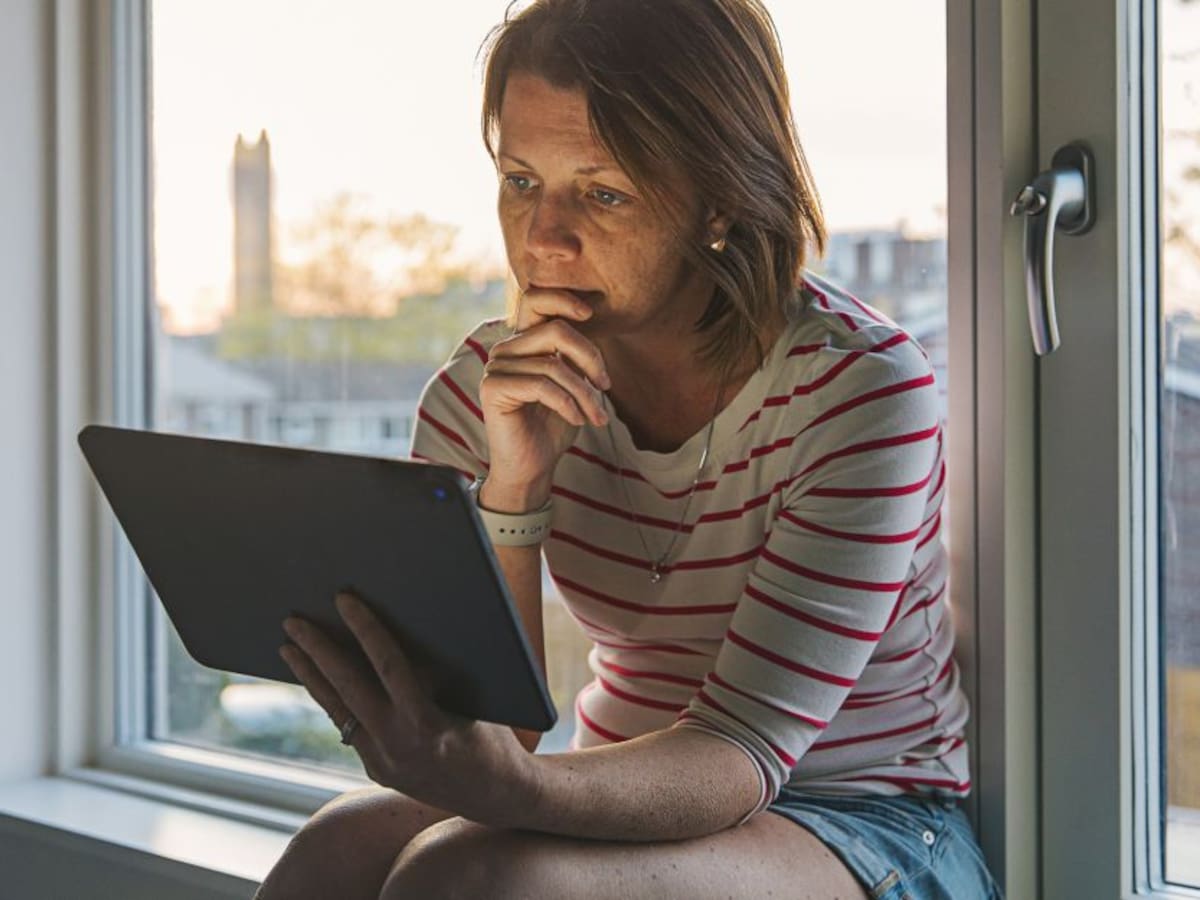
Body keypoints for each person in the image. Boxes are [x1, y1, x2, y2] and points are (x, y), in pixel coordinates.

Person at [256, 1, 1003, 897]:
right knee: (334, 849)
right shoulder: (488, 392)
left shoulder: (860, 390)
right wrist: (515, 490)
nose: (543, 238)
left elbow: (737, 753)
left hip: (865, 817)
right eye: (522, 181)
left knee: (471, 876)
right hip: (617, 781)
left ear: (720, 200)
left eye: (603, 193)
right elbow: (502, 732)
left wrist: (516, 787)